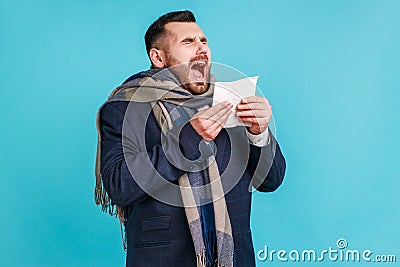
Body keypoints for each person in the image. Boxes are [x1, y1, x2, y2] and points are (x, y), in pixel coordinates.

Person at [95, 10, 286, 267]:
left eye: (203, 41)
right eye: (188, 42)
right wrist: (189, 138)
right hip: (163, 259)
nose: (201, 49)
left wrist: (258, 132)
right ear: (158, 57)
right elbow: (119, 186)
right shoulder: (127, 107)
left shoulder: (229, 102)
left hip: (233, 258)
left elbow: (271, 180)